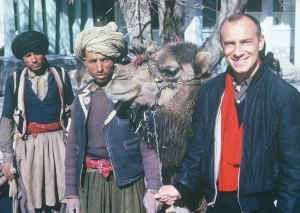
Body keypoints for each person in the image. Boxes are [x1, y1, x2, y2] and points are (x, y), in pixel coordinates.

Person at [155, 13, 300, 213]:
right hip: (216, 203)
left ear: (260, 42)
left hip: (261, 206)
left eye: (246, 42)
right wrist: (181, 186)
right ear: (222, 48)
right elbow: (198, 146)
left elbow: (293, 170)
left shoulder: (285, 96)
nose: (238, 51)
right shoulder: (209, 91)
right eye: (230, 43)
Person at [64, 22, 162, 213]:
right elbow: (72, 149)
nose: (99, 67)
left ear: (114, 59)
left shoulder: (131, 95)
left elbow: (147, 145)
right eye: (93, 61)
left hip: (128, 181)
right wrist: (71, 193)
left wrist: (153, 187)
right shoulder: (81, 97)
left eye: (105, 59)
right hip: (91, 181)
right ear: (84, 61)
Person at [0, 30, 74, 212]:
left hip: (59, 144)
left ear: (44, 52)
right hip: (29, 146)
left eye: (37, 53)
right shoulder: (15, 81)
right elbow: (7, 119)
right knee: (30, 196)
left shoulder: (61, 75)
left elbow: (74, 112)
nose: (34, 59)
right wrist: (7, 157)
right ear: (23, 58)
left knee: (63, 193)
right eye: (28, 55)